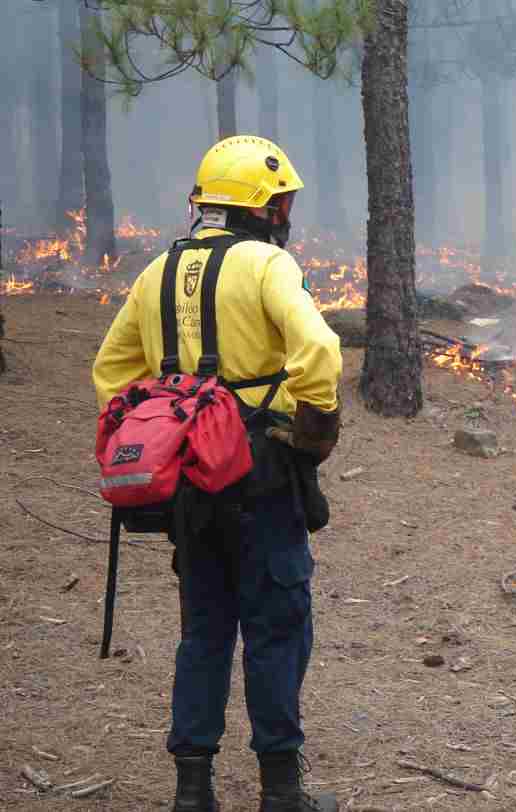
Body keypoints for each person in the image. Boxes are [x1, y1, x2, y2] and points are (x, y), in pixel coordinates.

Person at [92, 135, 343, 812]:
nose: (286, 215)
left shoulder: (157, 272)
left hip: (189, 482)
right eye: (281, 202)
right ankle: (281, 793)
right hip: (262, 472)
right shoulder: (267, 265)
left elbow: (112, 373)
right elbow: (319, 349)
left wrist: (164, 428)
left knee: (203, 631)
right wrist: (315, 429)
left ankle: (192, 791)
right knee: (276, 627)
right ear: (260, 207)